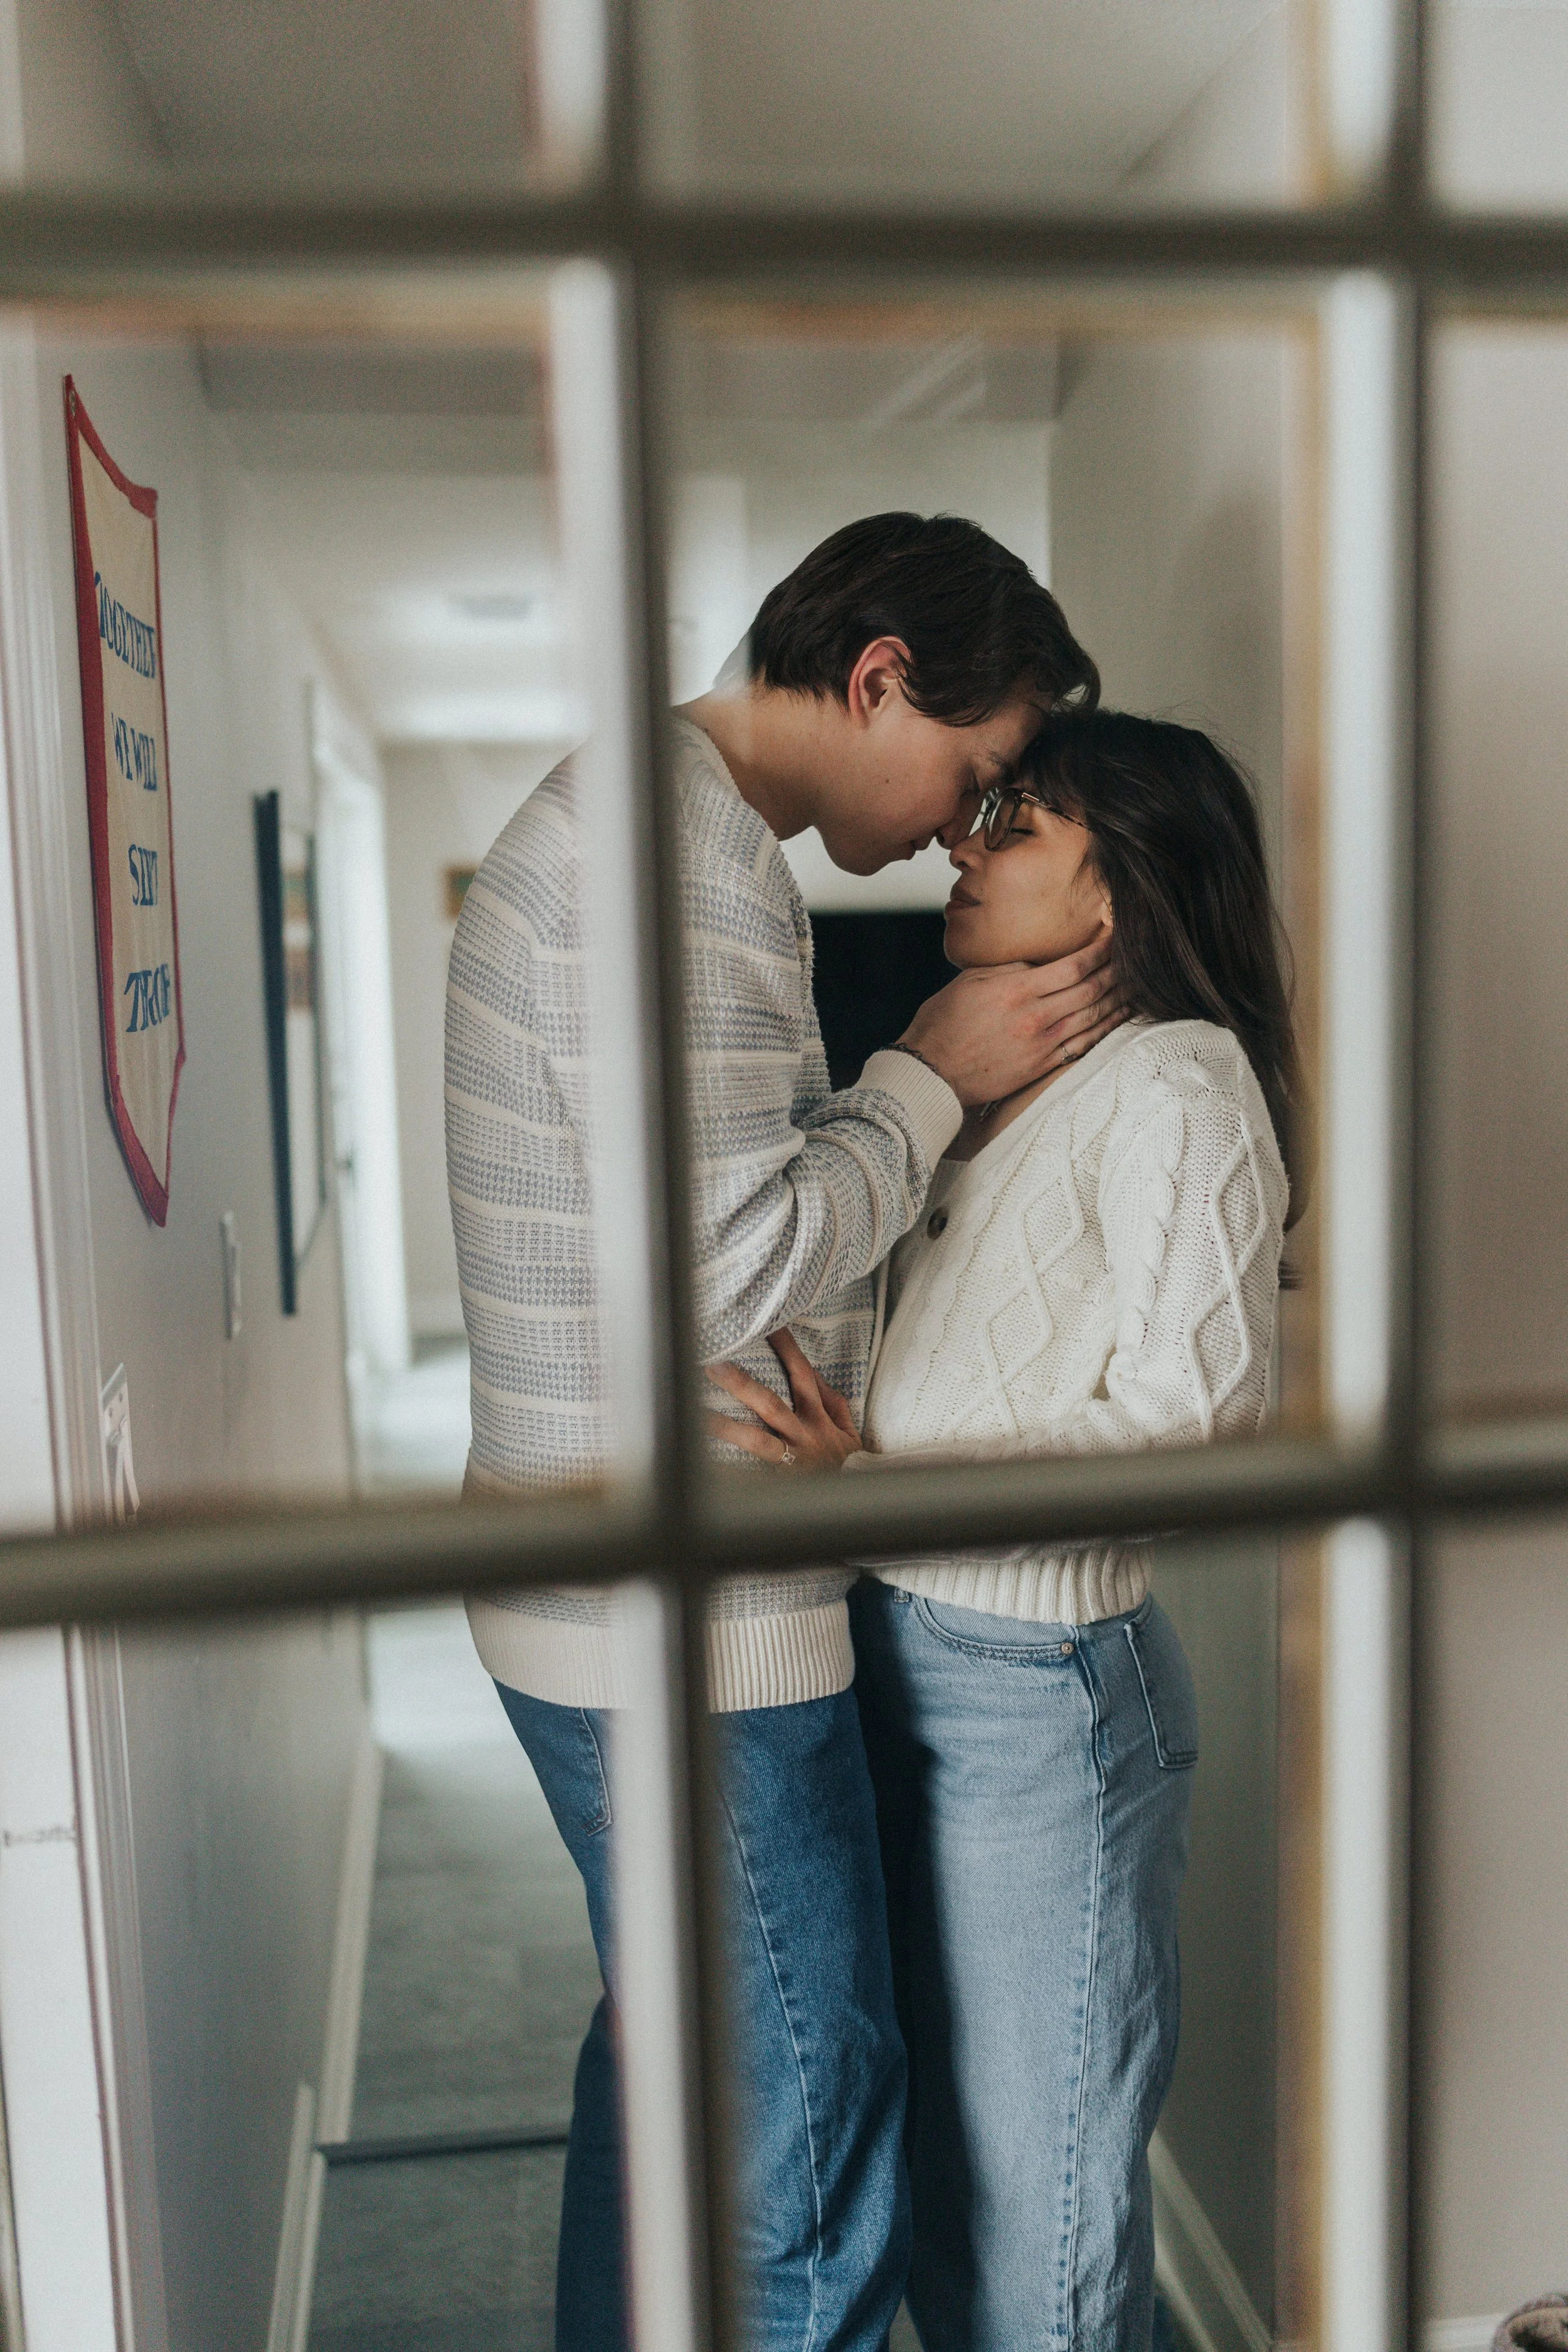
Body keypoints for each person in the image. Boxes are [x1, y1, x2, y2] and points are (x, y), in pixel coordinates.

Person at [444, 513, 1113, 2352]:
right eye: (971, 775)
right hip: (680, 1623)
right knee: (809, 2145)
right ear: (881, 675)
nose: (955, 831)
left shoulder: (647, 819)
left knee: (677, 2068)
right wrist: (935, 1070)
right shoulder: (682, 861)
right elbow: (735, 1266)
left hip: (600, 1584)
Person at [711, 709, 1302, 2351]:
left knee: (1038, 2218)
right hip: (902, 1646)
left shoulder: (1175, 1078)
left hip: (1039, 1691)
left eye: (1017, 824)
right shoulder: (1007, 1064)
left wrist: (884, 1470)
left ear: (1116, 891)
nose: (963, 846)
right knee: (962, 2190)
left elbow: (1199, 1436)